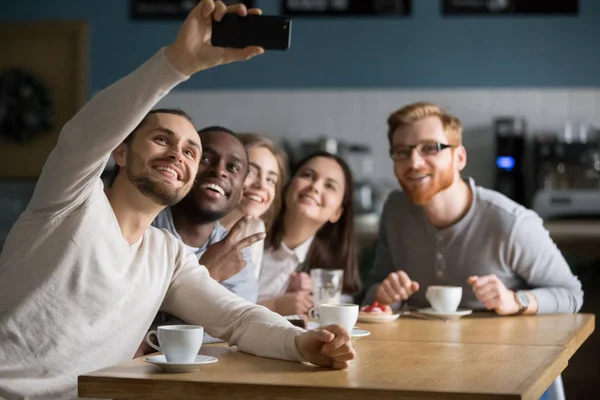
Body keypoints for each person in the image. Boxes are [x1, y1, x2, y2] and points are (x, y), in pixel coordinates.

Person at [0, 2, 355, 399]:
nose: (177, 156)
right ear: (119, 152)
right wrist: (176, 63)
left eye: (190, 151)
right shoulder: (73, 200)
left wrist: (300, 343)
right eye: (162, 140)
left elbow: (236, 320)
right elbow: (83, 136)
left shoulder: (167, 254)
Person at [363, 101, 583, 317]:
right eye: (402, 151)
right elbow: (375, 287)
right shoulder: (395, 210)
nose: (414, 163)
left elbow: (571, 295)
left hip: (500, 351)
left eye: (429, 148)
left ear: (459, 157)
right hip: (414, 350)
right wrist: (382, 296)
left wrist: (516, 300)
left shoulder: (512, 223)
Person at [153, 126, 262, 304]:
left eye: (233, 167)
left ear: (241, 192)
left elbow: (232, 329)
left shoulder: (235, 254)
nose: (219, 171)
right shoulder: (144, 230)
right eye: (205, 158)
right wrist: (208, 275)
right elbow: (134, 323)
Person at [258, 151, 362, 316]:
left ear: (337, 213)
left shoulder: (329, 276)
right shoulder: (249, 238)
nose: (315, 187)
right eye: (307, 175)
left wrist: (309, 306)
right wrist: (273, 306)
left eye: (330, 186)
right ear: (288, 186)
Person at [220, 133, 288, 279]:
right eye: (251, 172)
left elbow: (245, 297)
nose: (262, 184)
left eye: (270, 179)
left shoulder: (254, 228)